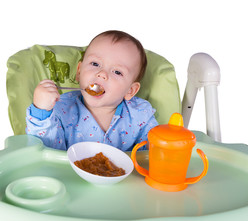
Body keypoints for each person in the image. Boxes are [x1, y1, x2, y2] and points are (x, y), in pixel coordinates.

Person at [26, 30, 158, 151]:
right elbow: (43, 149)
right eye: (95, 64)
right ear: (79, 72)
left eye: (117, 72)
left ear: (130, 90)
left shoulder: (141, 114)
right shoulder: (60, 108)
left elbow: (155, 152)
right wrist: (41, 110)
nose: (102, 74)